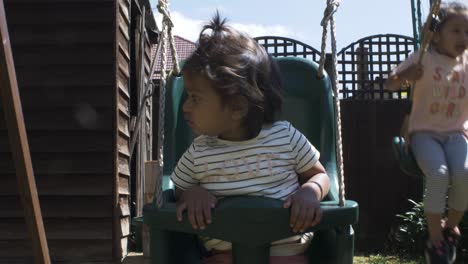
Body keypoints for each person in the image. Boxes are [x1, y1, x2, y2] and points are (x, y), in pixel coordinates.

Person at [169, 12, 330, 264]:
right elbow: (178, 188)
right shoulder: (199, 150)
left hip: (286, 254)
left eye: (195, 98)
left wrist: (310, 191)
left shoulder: (285, 137)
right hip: (224, 256)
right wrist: (192, 193)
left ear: (237, 107)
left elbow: (319, 174)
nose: (186, 107)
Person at [386, 2, 468, 263]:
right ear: (435, 33)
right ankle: (435, 240)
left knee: (464, 173)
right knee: (439, 173)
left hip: (456, 133)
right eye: (456, 31)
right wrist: (406, 75)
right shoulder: (424, 57)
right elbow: (389, 84)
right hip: (423, 133)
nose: (463, 38)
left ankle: (451, 227)